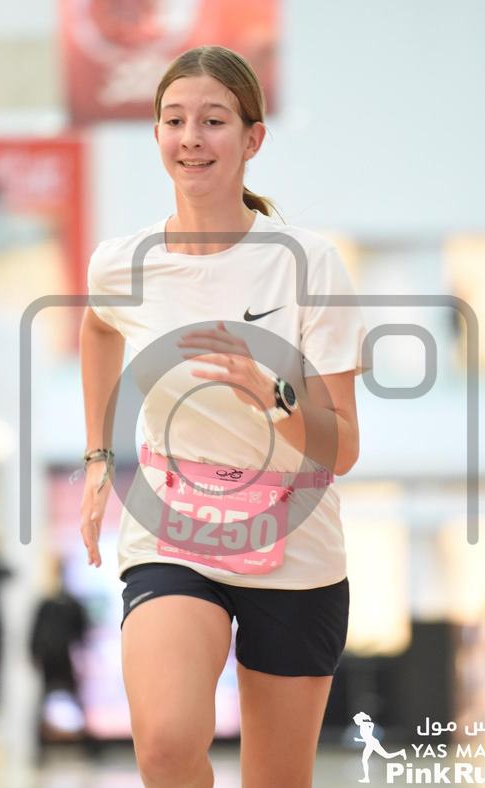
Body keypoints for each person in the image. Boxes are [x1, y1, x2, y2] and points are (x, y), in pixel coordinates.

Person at [79, 45, 367, 788]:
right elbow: (98, 327)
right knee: (165, 745)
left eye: (213, 120)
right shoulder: (122, 263)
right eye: (174, 120)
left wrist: (271, 396)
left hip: (293, 542)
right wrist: (97, 458)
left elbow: (341, 448)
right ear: (156, 133)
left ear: (252, 138)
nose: (191, 138)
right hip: (174, 531)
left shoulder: (307, 265)